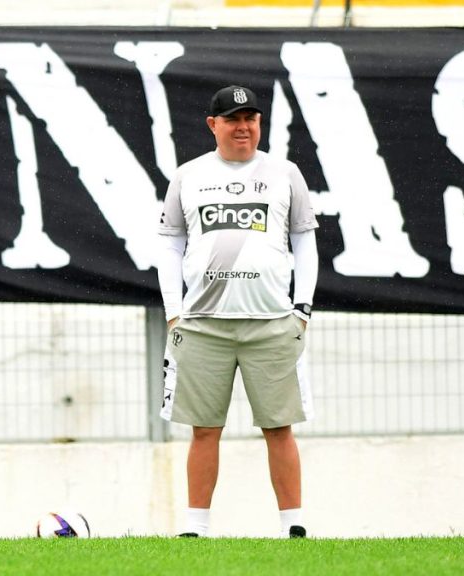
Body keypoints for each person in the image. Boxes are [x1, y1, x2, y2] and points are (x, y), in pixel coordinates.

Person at [156, 85, 319, 539]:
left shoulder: (285, 172)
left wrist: (302, 308)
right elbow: (170, 244)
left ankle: (294, 525)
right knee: (204, 429)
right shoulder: (188, 175)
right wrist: (174, 312)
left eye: (251, 117)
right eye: (232, 119)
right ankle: (195, 527)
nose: (243, 126)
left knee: (279, 427)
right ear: (213, 125)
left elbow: (304, 239)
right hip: (203, 324)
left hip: (272, 321)